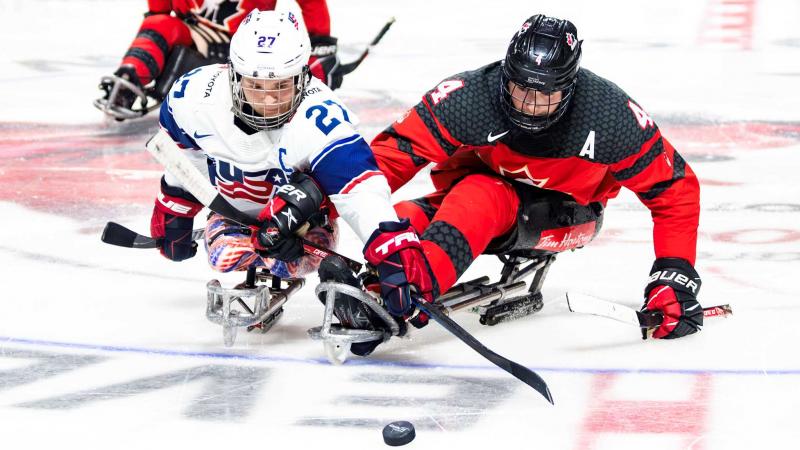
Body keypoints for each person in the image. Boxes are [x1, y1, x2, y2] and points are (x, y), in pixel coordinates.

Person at [362, 14, 703, 345]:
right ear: (504, 72)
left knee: (481, 193)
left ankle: (418, 283)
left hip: (570, 212)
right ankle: (382, 281)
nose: (528, 105)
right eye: (519, 88)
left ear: (570, 88)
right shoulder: (469, 97)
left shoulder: (610, 116)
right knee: (402, 215)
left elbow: (675, 188)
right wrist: (318, 205)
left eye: (544, 94)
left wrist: (674, 276)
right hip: (481, 197)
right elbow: (390, 156)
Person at [149, 8, 400, 343]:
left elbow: (361, 191)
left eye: (280, 86)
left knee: (294, 259)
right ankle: (262, 251)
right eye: (256, 85)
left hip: (302, 229)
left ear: (302, 77)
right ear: (233, 75)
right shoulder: (193, 98)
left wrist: (391, 250)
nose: (267, 100)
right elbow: (184, 156)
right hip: (235, 218)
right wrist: (174, 208)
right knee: (222, 255)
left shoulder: (319, 116)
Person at [95, 0, 344, 121]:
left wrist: (319, 49)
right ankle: (130, 80)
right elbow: (160, 13)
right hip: (196, 35)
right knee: (159, 25)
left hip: (249, 46)